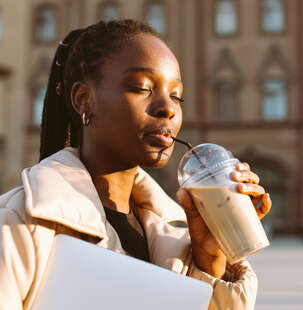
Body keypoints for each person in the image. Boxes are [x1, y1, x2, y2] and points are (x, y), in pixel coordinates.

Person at [0, 20, 272, 309]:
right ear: (84, 100)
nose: (167, 108)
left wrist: (210, 259)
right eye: (142, 88)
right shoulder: (18, 225)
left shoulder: (175, 237)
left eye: (176, 95)